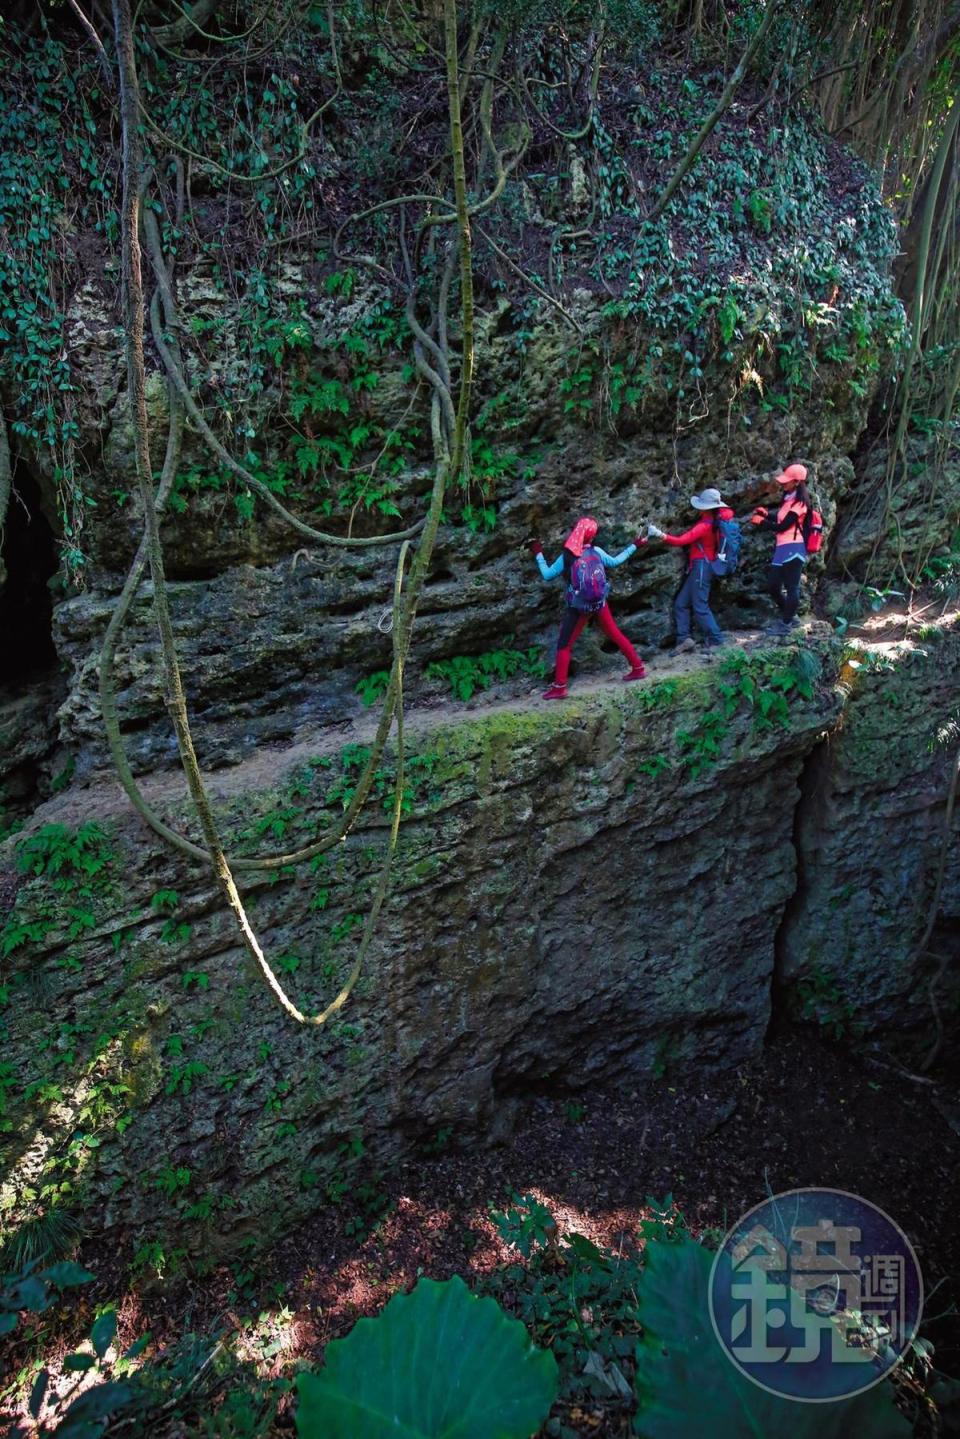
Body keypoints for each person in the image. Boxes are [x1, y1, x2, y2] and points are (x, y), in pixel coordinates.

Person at [529, 516, 646, 701]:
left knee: (564, 645)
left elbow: (547, 575)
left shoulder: (567, 556)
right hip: (599, 602)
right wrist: (635, 545)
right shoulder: (596, 551)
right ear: (591, 537)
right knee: (615, 633)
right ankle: (638, 668)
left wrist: (538, 553)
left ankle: (560, 687)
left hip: (579, 607)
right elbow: (615, 561)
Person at [646, 487, 733, 653]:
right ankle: (684, 639)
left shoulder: (704, 525)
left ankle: (717, 641)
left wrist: (659, 534)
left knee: (700, 606)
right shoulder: (714, 522)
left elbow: (681, 540)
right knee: (681, 604)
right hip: (700, 567)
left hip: (702, 567)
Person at [750, 462, 812, 634]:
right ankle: (790, 616)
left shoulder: (800, 504)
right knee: (773, 586)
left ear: (797, 482)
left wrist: (762, 523)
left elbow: (783, 526)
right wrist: (766, 514)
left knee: (792, 587)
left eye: (787, 481)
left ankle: (785, 624)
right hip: (782, 548)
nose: (783, 483)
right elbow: (779, 518)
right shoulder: (788, 499)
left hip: (794, 547)